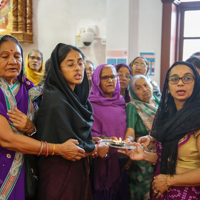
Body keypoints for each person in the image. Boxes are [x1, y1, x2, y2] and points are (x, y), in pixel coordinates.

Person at [0, 35, 88, 200]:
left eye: (17, 56)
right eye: (5, 56)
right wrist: (58, 149)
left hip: (26, 170)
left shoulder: (31, 90)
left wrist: (31, 129)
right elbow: (7, 139)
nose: (12, 61)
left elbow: (42, 131)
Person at [36, 44, 109, 200]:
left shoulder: (76, 98)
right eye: (70, 64)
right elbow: (70, 148)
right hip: (59, 172)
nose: (78, 68)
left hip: (76, 170)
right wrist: (96, 148)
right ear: (58, 69)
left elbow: (73, 135)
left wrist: (88, 141)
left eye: (81, 62)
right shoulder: (56, 99)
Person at [119, 61, 200, 200]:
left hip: (188, 194)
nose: (180, 83)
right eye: (174, 79)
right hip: (161, 191)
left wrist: (170, 181)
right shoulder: (167, 117)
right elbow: (169, 158)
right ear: (167, 86)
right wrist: (145, 155)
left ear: (196, 84)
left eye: (187, 78)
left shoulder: (197, 119)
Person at [89, 64, 128, 200]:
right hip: (101, 161)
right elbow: (88, 133)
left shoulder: (121, 102)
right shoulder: (90, 104)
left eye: (113, 76)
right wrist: (103, 140)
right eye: (105, 77)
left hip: (123, 159)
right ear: (96, 80)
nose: (110, 80)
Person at [124, 75, 159, 200]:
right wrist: (128, 142)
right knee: (143, 193)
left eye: (146, 85)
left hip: (161, 154)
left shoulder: (158, 103)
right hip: (142, 159)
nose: (144, 89)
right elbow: (130, 131)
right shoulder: (133, 106)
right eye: (138, 88)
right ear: (133, 92)